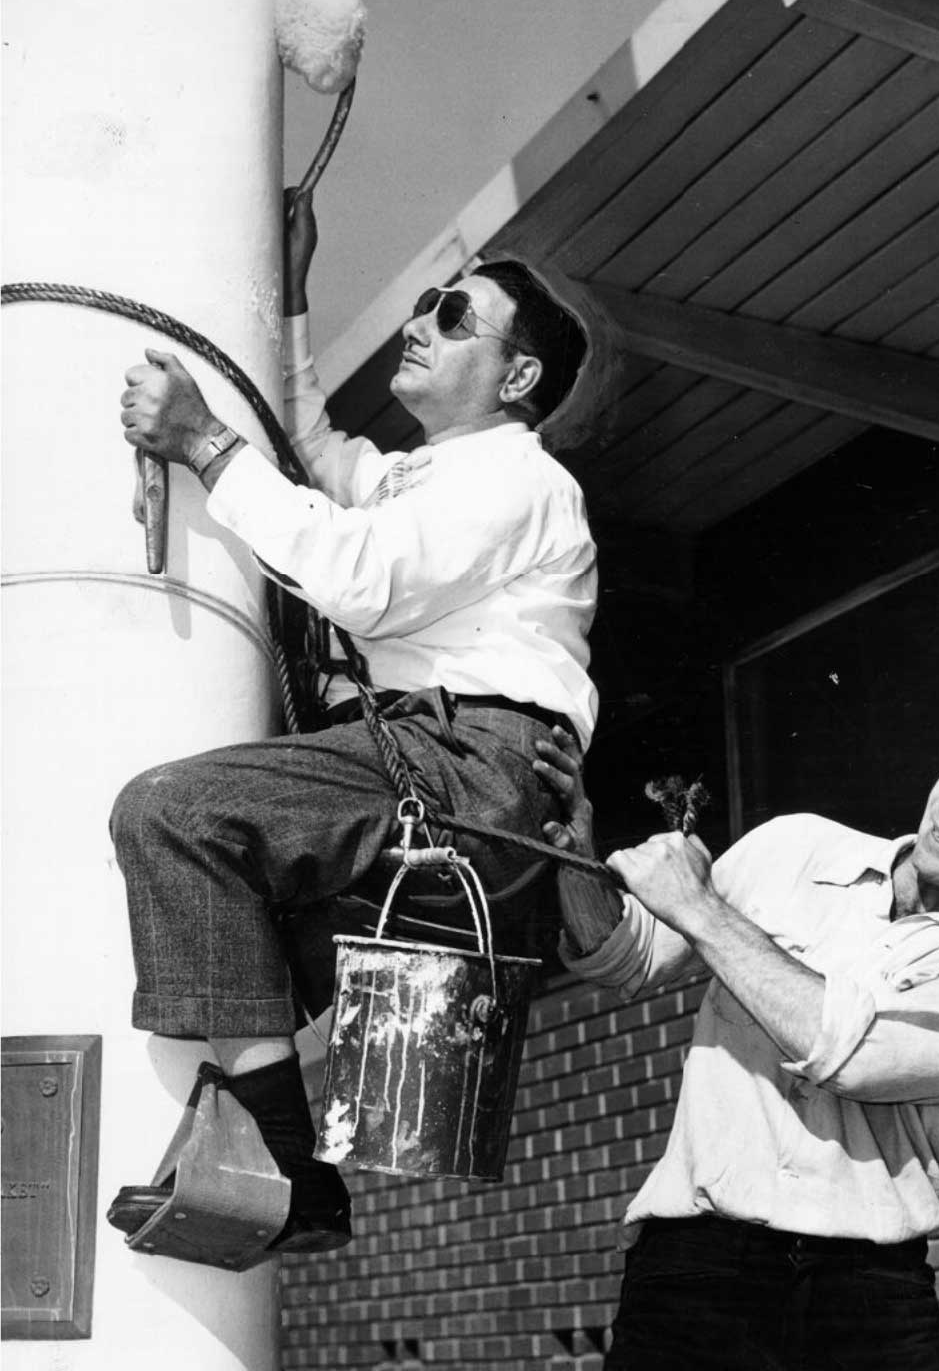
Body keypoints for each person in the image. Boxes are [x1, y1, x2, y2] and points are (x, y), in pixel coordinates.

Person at [108, 193, 597, 1254]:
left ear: (517, 380)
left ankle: (286, 1162)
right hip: (419, 756)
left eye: (454, 317)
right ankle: (297, 1178)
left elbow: (362, 579)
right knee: (234, 921)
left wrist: (199, 440)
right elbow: (312, 437)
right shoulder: (420, 476)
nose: (419, 324)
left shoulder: (520, 477)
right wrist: (281, 294)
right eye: (425, 303)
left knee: (173, 810)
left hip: (466, 758)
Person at [537, 685, 939, 1371]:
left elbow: (848, 1051)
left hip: (867, 1296)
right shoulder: (796, 846)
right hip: (695, 1273)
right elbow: (624, 959)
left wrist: (701, 909)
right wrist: (574, 852)